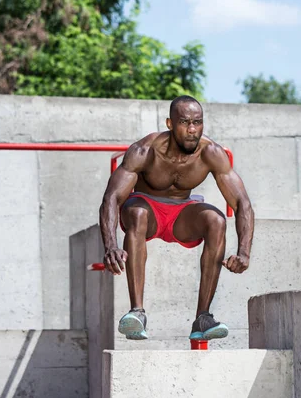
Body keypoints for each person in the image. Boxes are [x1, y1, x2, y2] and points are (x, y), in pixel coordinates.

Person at [99, 95, 255, 341]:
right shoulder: (145, 150)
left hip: (182, 214)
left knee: (216, 220)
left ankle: (203, 318)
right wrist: (110, 246)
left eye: (197, 122)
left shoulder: (211, 153)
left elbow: (242, 203)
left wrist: (244, 252)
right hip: (146, 211)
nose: (192, 130)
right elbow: (111, 198)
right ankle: (137, 312)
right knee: (137, 212)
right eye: (185, 122)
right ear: (170, 123)